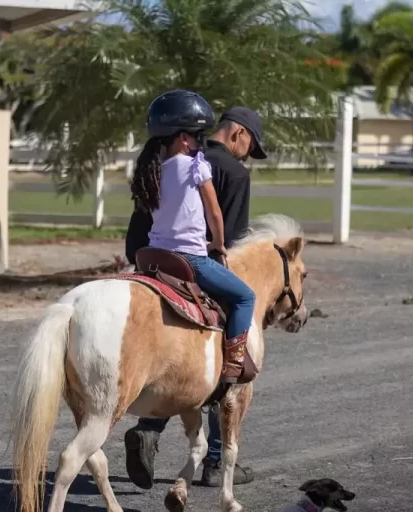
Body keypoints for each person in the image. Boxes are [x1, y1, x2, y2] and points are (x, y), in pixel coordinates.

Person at [124, 101, 268, 489]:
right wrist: (218, 252)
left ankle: (149, 429)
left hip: (148, 259)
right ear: (238, 133)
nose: (246, 156)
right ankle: (218, 462)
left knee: (161, 349)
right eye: (249, 146)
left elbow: (142, 218)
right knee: (223, 344)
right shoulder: (229, 172)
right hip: (195, 260)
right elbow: (231, 237)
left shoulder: (155, 163)